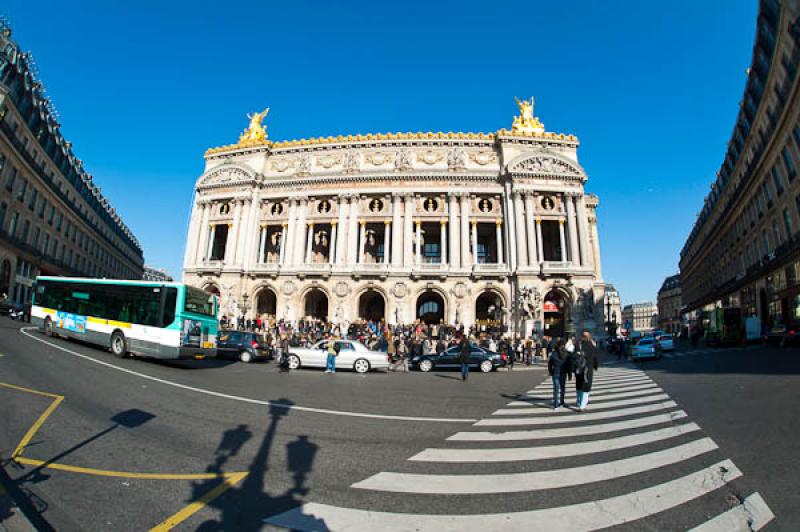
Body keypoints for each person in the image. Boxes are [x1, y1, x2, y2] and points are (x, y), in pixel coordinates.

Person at [574, 331, 599, 410]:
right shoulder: (592, 345)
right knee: (586, 386)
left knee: (579, 385)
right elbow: (596, 357)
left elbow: (573, 356)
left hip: (579, 368)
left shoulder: (578, 344)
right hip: (588, 368)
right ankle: (582, 405)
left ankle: (579, 401)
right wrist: (596, 366)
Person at [548, 338, 572, 409]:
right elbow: (569, 365)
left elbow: (550, 364)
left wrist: (550, 371)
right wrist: (569, 374)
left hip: (555, 372)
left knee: (556, 389)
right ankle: (562, 402)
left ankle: (556, 404)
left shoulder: (554, 353)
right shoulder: (566, 354)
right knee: (562, 388)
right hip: (563, 373)